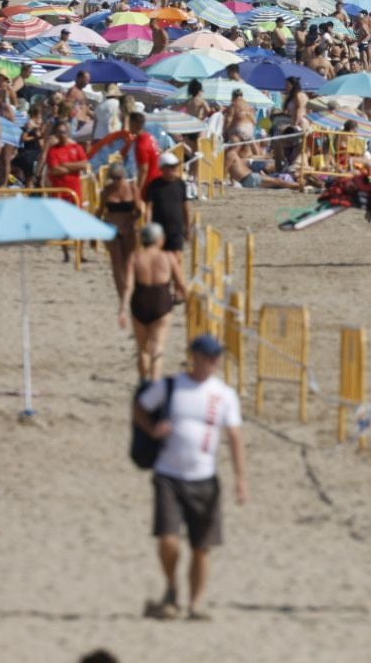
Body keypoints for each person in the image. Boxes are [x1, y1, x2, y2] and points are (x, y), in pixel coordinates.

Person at [134, 333, 248, 622]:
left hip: (205, 478)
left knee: (201, 547)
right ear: (194, 356)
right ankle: (172, 587)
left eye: (217, 356)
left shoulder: (224, 394)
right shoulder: (171, 385)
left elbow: (235, 436)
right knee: (168, 539)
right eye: (208, 355)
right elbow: (140, 406)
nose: (213, 361)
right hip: (168, 474)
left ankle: (195, 604)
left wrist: (240, 479)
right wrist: (151, 428)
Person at [123, 223, 187, 382]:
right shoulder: (168, 257)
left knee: (143, 349)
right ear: (160, 240)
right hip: (161, 304)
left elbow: (128, 285)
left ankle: (143, 383)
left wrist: (122, 308)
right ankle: (155, 383)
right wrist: (189, 303)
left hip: (140, 302)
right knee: (157, 349)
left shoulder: (135, 257)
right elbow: (181, 284)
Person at [143, 153, 192, 278]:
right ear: (162, 168)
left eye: (175, 166)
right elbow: (149, 207)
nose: (174, 169)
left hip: (176, 228)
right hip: (159, 229)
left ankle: (177, 288)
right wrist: (148, 226)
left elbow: (185, 207)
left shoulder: (180, 184)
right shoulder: (154, 185)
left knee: (177, 258)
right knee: (161, 259)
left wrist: (188, 227)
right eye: (171, 167)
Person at [101, 164, 142, 304]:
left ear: (124, 176)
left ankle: (130, 291)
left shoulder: (132, 188)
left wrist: (130, 222)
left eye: (119, 178)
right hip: (111, 228)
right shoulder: (106, 191)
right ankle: (122, 297)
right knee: (116, 263)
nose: (116, 181)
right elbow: (100, 211)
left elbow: (139, 210)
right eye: (113, 178)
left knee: (129, 262)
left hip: (129, 228)